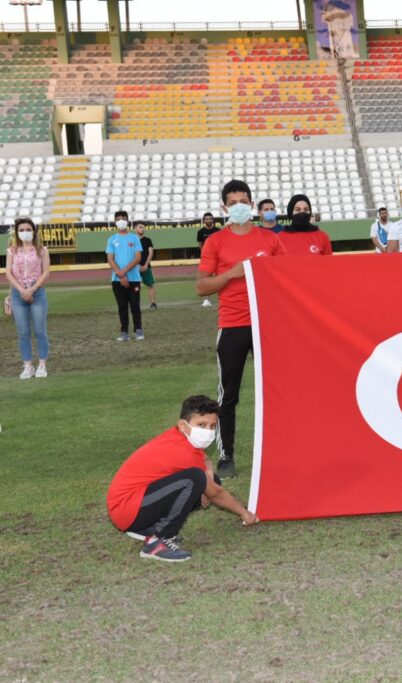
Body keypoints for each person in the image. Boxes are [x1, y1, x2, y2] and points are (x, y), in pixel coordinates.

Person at [198, 180, 287, 478]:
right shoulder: (216, 242)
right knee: (229, 396)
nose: (240, 206)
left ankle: (281, 453)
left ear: (251, 203)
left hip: (268, 324)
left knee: (278, 390)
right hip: (233, 324)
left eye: (244, 200)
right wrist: (231, 274)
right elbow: (202, 286)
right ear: (225, 207)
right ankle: (226, 456)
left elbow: (288, 278)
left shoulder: (270, 240)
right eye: (234, 201)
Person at [106, 395, 259, 562]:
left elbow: (206, 461)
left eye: (212, 426)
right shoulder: (183, 451)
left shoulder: (180, 437)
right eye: (202, 425)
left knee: (207, 480)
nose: (208, 431)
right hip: (125, 509)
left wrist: (207, 482)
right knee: (194, 480)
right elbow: (216, 493)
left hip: (133, 504)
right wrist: (244, 513)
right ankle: (158, 541)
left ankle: (148, 529)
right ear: (183, 425)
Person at [5, 217, 50, 379]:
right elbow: (8, 272)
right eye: (22, 230)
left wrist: (32, 289)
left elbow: (46, 272)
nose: (25, 232)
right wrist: (21, 290)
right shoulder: (12, 251)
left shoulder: (42, 250)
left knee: (40, 330)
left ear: (34, 231)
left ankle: (42, 365)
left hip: (37, 292)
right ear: (17, 232)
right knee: (23, 332)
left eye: (28, 229)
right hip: (18, 294)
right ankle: (28, 366)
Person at [106, 210, 144, 342]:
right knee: (122, 306)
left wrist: (124, 272)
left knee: (135, 305)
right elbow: (110, 259)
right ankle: (124, 332)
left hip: (134, 278)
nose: (121, 221)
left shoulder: (134, 238)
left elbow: (138, 258)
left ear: (127, 221)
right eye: (118, 219)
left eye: (123, 218)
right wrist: (121, 275)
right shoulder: (111, 239)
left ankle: (138, 330)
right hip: (117, 280)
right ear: (115, 222)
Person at [197, 212, 220, 308]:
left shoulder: (218, 231)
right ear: (204, 221)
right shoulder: (201, 232)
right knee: (207, 279)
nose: (208, 220)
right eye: (206, 219)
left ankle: (223, 298)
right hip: (208, 259)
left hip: (219, 257)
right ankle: (207, 300)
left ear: (213, 220)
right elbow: (200, 245)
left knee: (221, 277)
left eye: (210, 219)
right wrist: (205, 255)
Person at [135, 222, 158, 310]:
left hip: (146, 267)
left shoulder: (148, 240)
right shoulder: (132, 240)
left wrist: (145, 265)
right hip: (134, 268)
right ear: (135, 229)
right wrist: (137, 265)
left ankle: (153, 303)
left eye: (143, 227)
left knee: (150, 285)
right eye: (140, 227)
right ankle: (136, 305)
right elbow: (129, 254)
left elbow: (150, 253)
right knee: (135, 286)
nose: (142, 229)